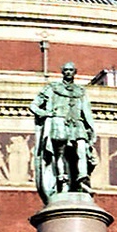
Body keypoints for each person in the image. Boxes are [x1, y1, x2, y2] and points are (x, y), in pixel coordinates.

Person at [29, 62, 97, 201]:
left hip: (77, 123)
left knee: (82, 150)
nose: (68, 72)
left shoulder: (81, 91)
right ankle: (63, 182)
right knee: (60, 153)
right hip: (58, 121)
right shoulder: (53, 88)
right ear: (62, 72)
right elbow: (33, 105)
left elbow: (87, 112)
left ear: (75, 72)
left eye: (71, 70)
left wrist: (90, 128)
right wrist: (46, 113)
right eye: (65, 70)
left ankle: (82, 180)